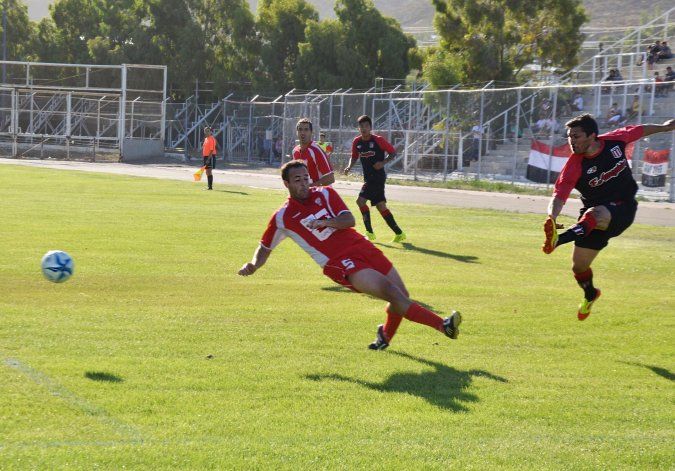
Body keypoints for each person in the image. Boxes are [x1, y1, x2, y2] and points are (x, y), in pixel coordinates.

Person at [238, 160, 462, 350]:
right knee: (392, 293)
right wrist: (254, 265)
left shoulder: (325, 193)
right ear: (286, 184)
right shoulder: (283, 216)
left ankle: (384, 337)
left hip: (361, 246)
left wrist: (325, 222)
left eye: (306, 178)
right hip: (340, 263)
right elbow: (265, 247)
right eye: (297, 180)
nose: (304, 183)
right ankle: (443, 326)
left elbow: (349, 220)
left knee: (401, 294)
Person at [541, 114, 675, 320]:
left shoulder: (615, 140)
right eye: (569, 137)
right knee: (579, 265)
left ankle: (558, 240)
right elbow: (559, 196)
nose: (571, 141)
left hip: (623, 208)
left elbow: (640, 130)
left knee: (595, 213)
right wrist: (551, 217)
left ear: (592, 136)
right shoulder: (574, 165)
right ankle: (590, 294)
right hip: (592, 218)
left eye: (576, 136)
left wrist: (665, 127)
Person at [343, 115, 406, 243]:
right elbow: (354, 157)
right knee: (381, 206)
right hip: (369, 178)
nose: (364, 128)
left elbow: (393, 152)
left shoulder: (378, 140)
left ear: (370, 127)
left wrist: (383, 163)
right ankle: (399, 233)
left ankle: (369, 232)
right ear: (358, 128)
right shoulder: (357, 142)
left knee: (360, 201)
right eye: (361, 126)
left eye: (366, 126)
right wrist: (349, 166)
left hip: (377, 177)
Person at [291, 118, 335, 187]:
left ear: (311, 132)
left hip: (321, 194)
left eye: (306, 129)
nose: (302, 132)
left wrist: (311, 186)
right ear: (297, 132)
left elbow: (331, 178)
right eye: (300, 129)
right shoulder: (295, 151)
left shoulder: (315, 150)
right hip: (307, 194)